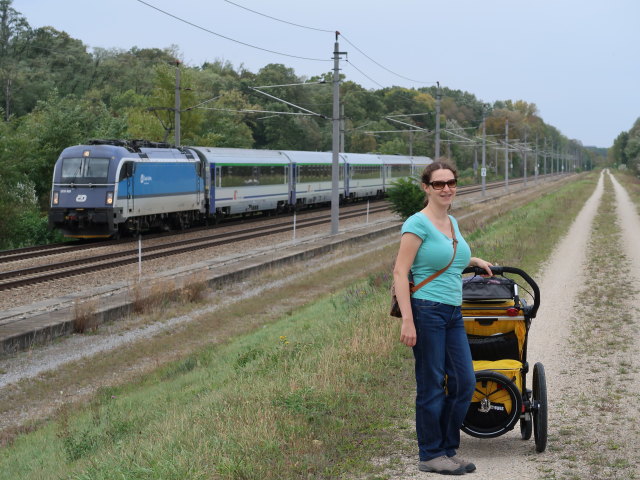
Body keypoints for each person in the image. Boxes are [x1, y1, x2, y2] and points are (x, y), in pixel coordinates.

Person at [392, 161, 493, 475]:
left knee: (465, 382)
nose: (446, 188)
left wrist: (473, 259)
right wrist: (408, 320)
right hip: (426, 311)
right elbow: (400, 271)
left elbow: (450, 259)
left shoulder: (452, 221)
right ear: (426, 187)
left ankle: (447, 450)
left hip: (452, 312)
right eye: (438, 184)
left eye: (451, 182)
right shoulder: (416, 224)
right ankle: (431, 454)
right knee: (432, 384)